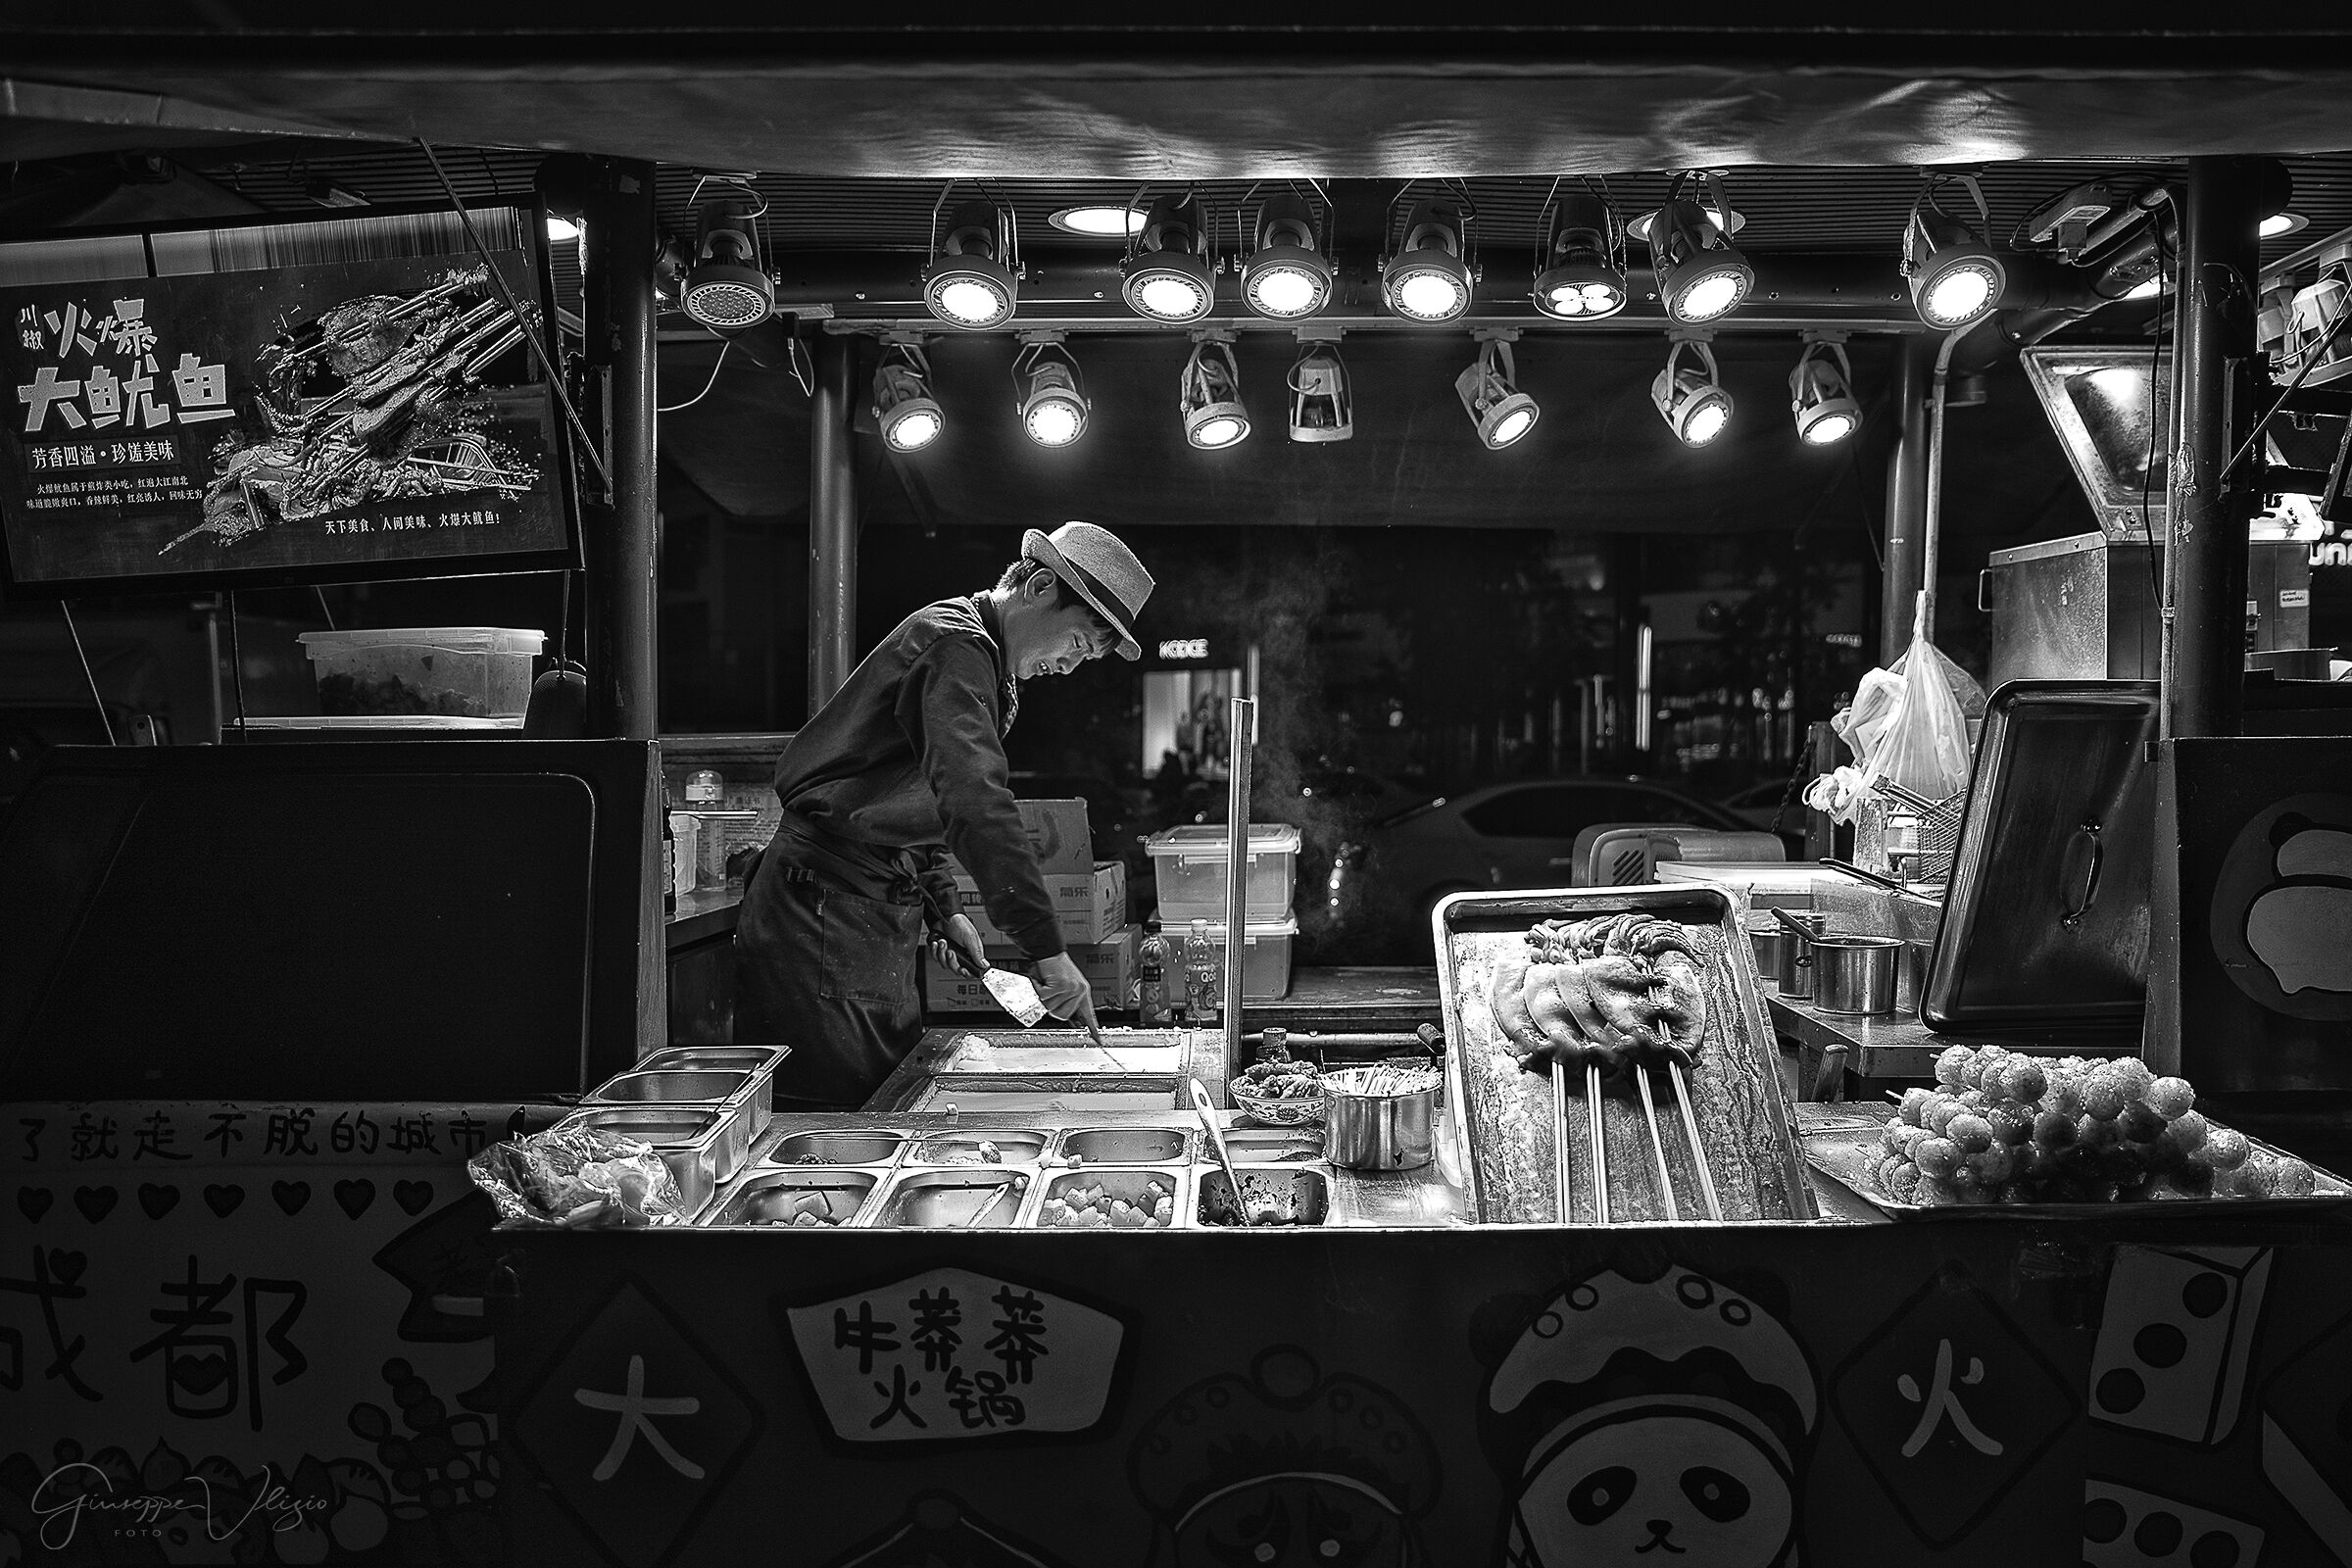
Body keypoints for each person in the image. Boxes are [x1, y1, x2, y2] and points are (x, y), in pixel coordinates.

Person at [734, 520, 1154, 1106]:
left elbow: (918, 801)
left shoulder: (991, 667)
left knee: (886, 1105)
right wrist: (1048, 949)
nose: (1068, 666)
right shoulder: (956, 646)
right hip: (819, 917)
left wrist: (946, 909)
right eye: (1079, 644)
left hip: (868, 914)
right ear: (1037, 587)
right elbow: (974, 800)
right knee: (831, 1134)